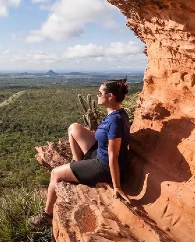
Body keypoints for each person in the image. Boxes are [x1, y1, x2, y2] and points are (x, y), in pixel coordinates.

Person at [29, 78, 131, 227]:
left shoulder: (115, 121)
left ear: (110, 96)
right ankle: (78, 164)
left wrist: (116, 186)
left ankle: (47, 215)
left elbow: (113, 155)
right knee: (74, 128)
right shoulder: (117, 113)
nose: (97, 95)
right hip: (99, 153)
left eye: (99, 92)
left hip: (103, 166)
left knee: (55, 174)